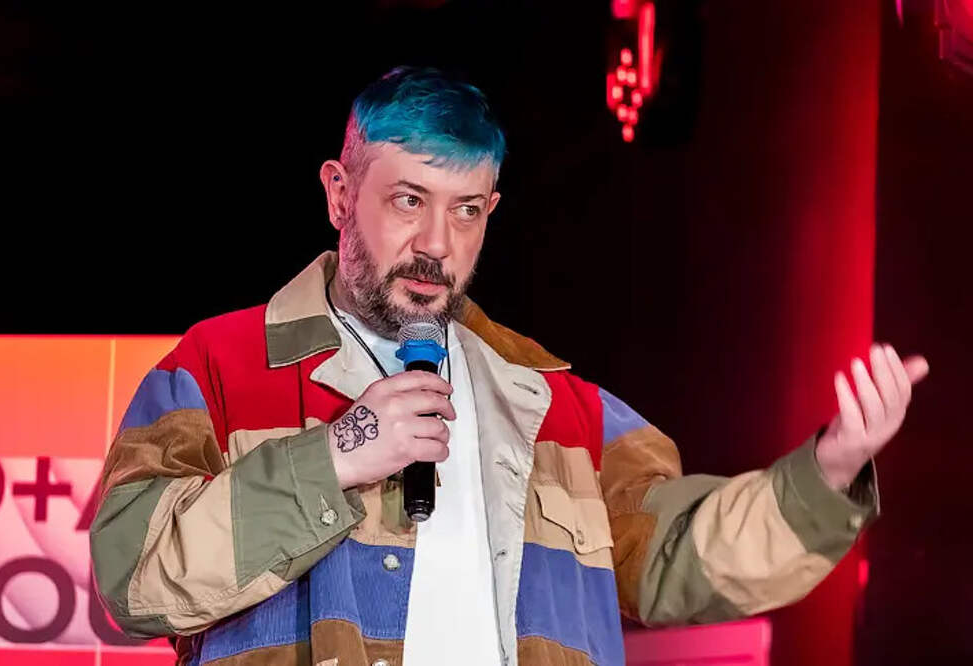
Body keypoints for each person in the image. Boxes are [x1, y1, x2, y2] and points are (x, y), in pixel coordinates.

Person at [89, 66, 929, 666]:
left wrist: (830, 470)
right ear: (340, 193)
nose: (436, 244)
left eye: (466, 212)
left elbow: (680, 558)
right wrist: (335, 456)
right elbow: (130, 580)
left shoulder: (557, 403)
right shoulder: (218, 368)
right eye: (408, 200)